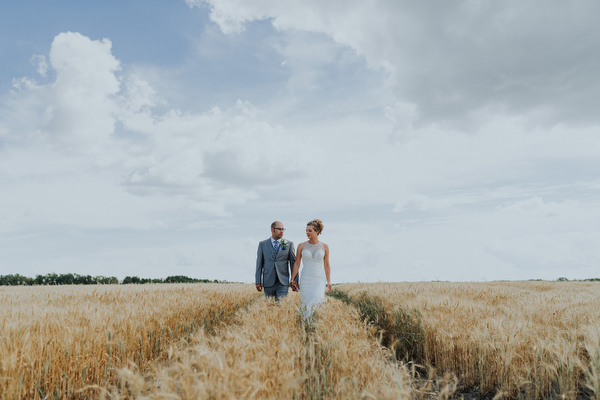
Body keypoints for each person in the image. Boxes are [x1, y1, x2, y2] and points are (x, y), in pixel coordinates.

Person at [290, 219, 332, 317]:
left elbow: (326, 265)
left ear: (317, 232)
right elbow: (297, 264)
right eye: (306, 231)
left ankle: (316, 323)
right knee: (306, 302)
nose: (307, 233)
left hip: (319, 279)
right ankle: (306, 325)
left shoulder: (325, 247)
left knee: (317, 299)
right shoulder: (301, 246)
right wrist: (292, 279)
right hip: (306, 278)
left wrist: (329, 281)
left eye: (310, 230)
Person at [255, 221, 297, 301]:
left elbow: (293, 263)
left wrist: (294, 279)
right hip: (268, 281)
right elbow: (259, 264)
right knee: (270, 308)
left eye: (283, 229)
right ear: (272, 229)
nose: (282, 231)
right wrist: (258, 281)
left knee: (281, 306)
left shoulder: (288, 244)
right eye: (279, 229)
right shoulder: (263, 244)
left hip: (283, 281)